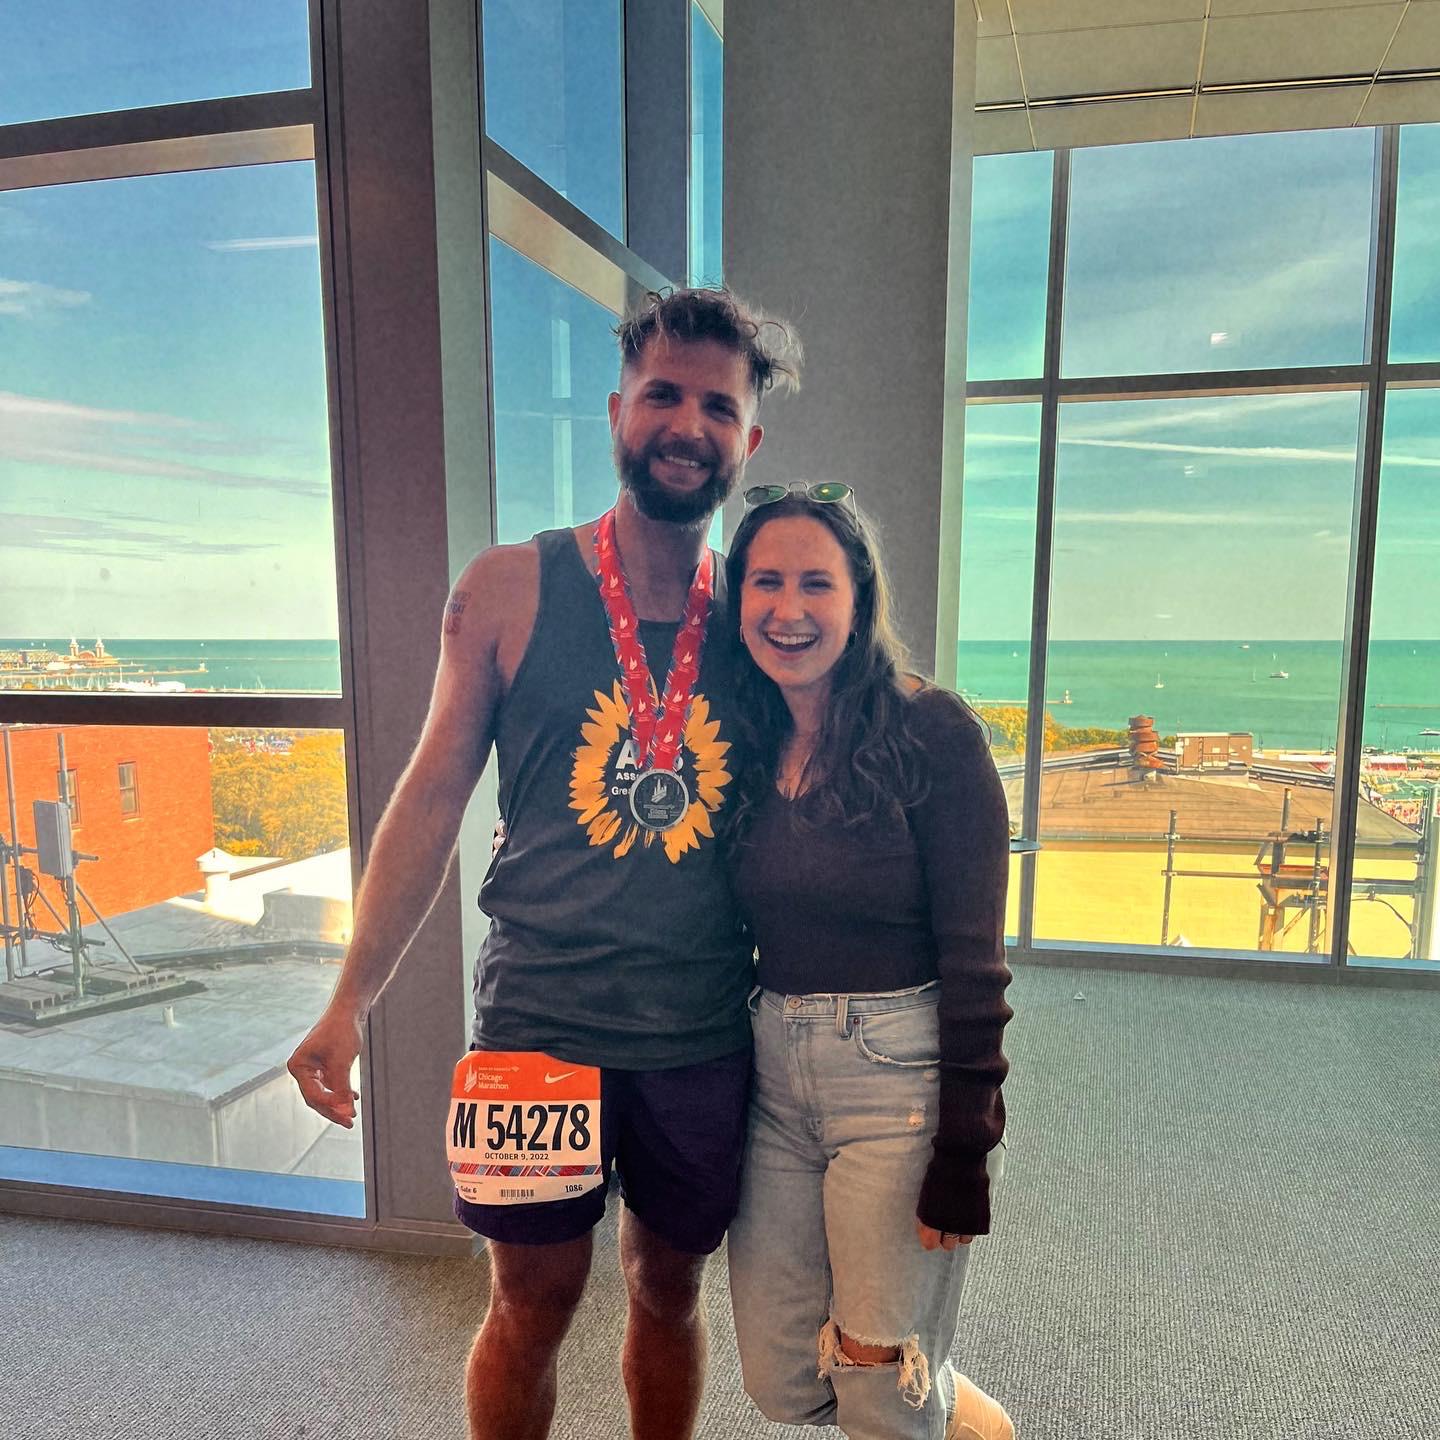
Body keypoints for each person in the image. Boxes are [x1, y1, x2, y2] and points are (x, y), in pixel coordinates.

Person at [286, 287, 799, 1440]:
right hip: (537, 1025)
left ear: (748, 439)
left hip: (699, 1029)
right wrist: (348, 998)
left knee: (669, 1292)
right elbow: (430, 799)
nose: (687, 424)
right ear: (617, 412)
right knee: (531, 1304)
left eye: (717, 407)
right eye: (662, 395)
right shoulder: (508, 587)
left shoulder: (759, 617)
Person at [721, 483, 1015, 1440]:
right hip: (773, 1078)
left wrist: (965, 1151)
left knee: (879, 1386)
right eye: (766, 582)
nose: (789, 609)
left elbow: (977, 962)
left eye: (817, 583)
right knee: (780, 1379)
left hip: (897, 1078)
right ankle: (951, 1412)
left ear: (859, 599)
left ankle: (918, 1399)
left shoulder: (934, 732)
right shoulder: (745, 735)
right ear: (737, 599)